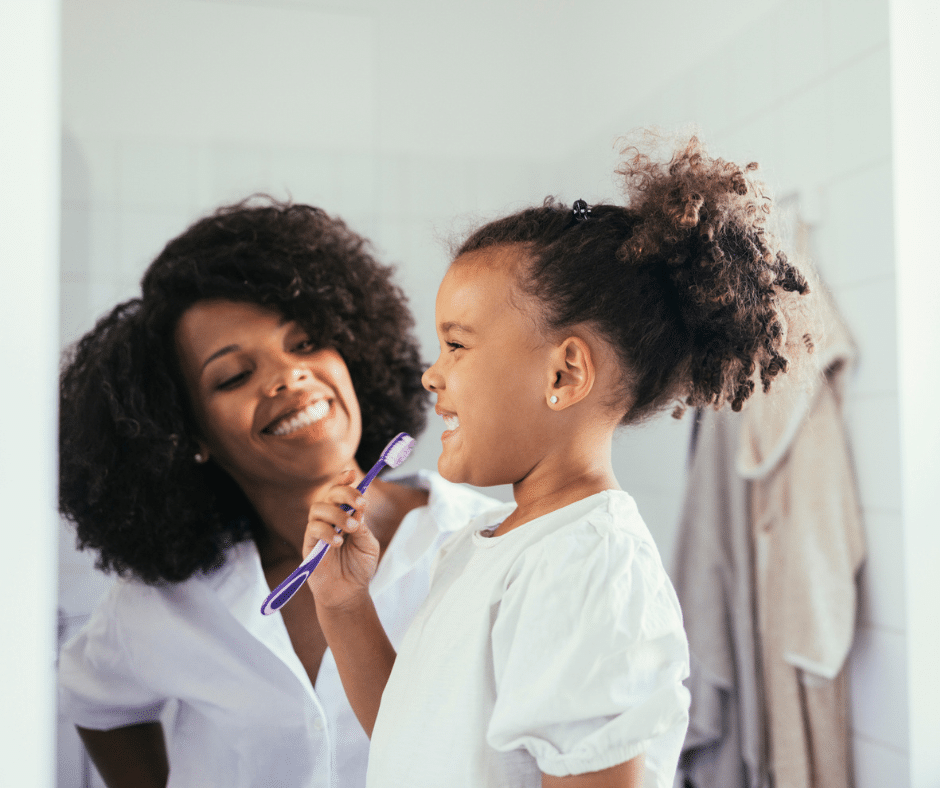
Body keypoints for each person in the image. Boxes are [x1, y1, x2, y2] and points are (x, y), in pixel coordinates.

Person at [302, 137, 818, 788]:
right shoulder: (485, 545)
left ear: (565, 371)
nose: (432, 376)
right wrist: (345, 605)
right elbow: (414, 736)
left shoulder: (585, 564)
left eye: (456, 345)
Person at [56, 197, 498, 788]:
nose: (289, 375)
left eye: (306, 342)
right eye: (234, 376)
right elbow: (97, 701)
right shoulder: (168, 602)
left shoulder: (488, 542)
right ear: (189, 433)